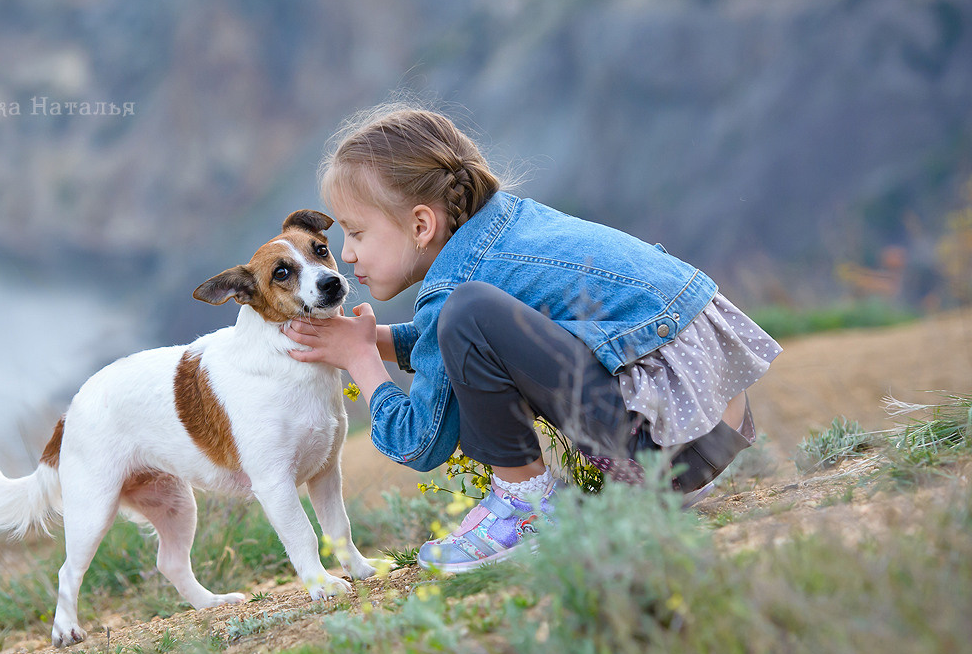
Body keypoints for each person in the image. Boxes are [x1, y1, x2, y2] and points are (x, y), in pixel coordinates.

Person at [284, 102, 782, 573]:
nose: (347, 254)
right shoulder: (505, 226)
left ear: (420, 224)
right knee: (468, 318)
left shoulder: (457, 290)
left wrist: (361, 360)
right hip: (706, 427)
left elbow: (420, 442)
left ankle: (522, 508)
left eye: (356, 233)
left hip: (672, 448)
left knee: (467, 312)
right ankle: (612, 492)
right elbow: (473, 344)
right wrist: (374, 339)